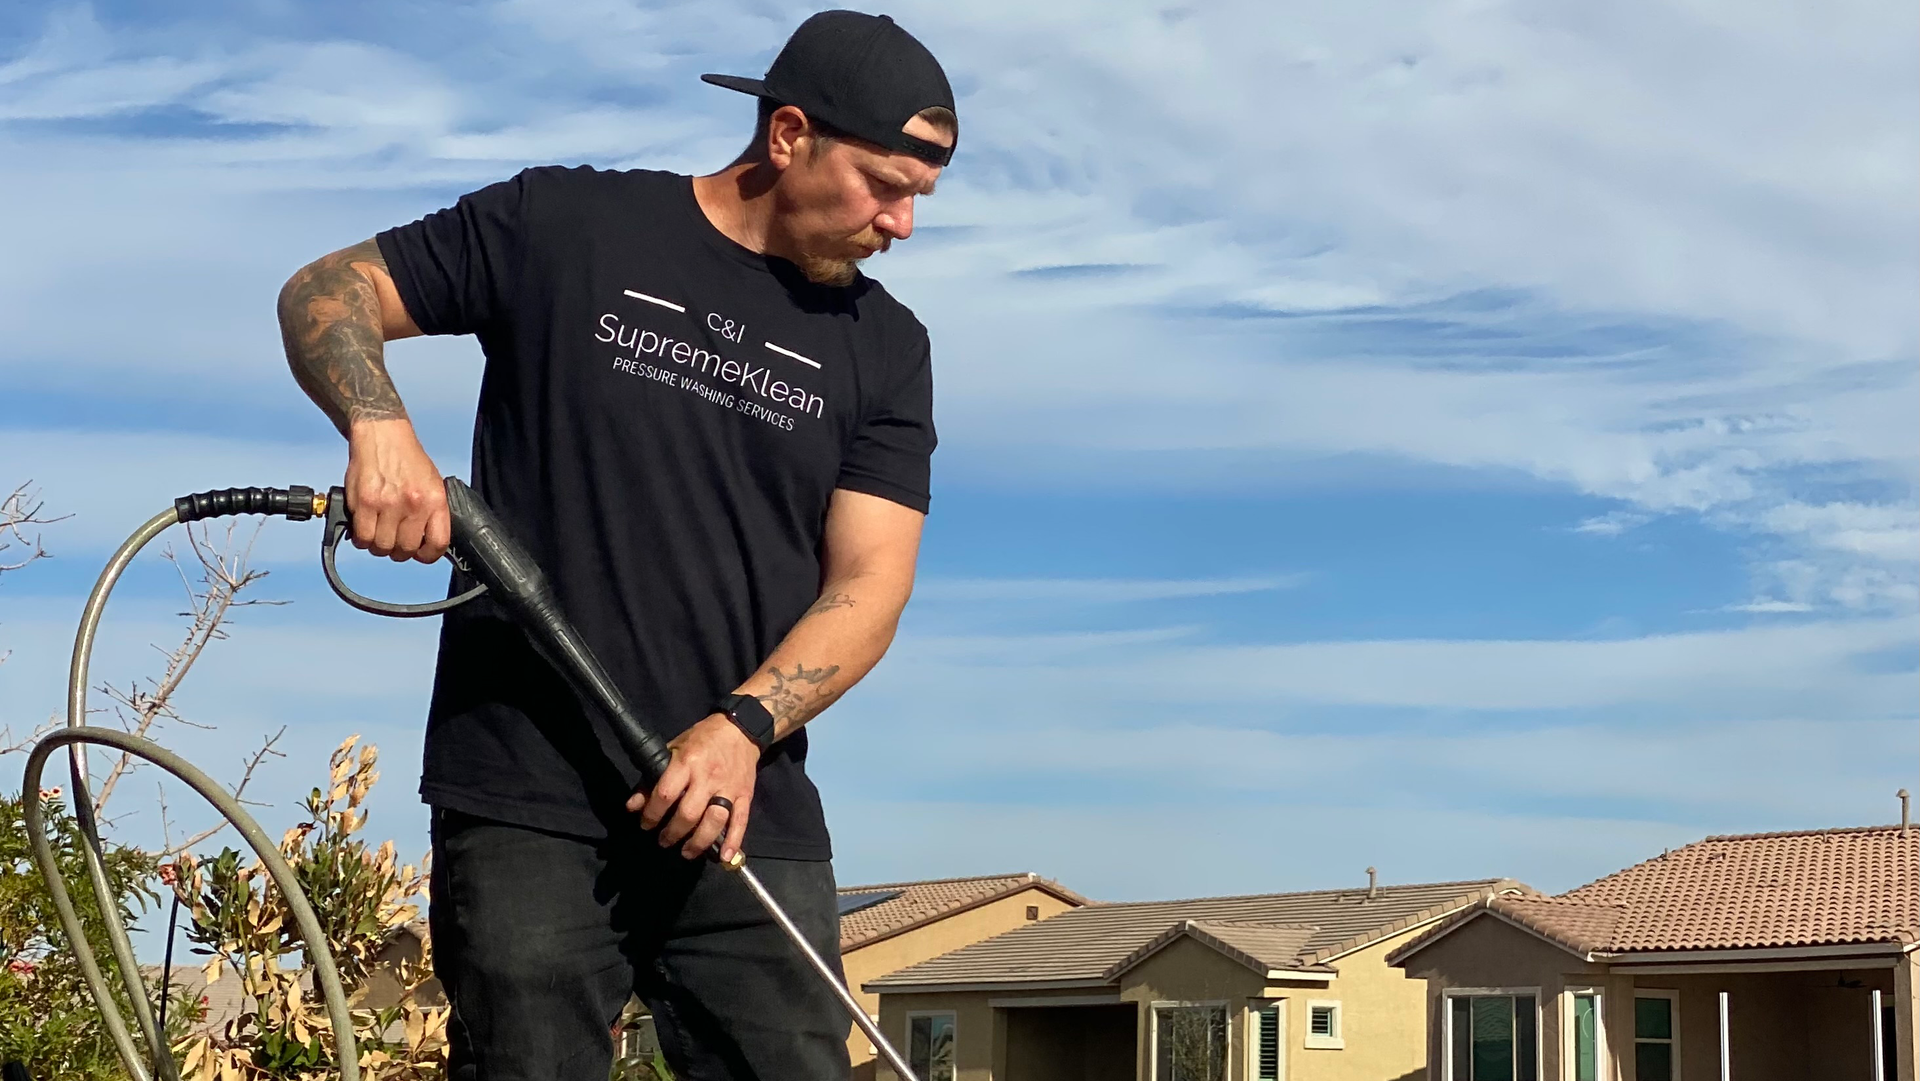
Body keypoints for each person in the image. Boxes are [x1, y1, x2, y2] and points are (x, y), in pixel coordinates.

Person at [275, 11, 956, 1079]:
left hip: (743, 810)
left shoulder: (886, 348)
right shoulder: (566, 226)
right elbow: (327, 290)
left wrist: (741, 726)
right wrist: (378, 427)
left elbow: (871, 582)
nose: (902, 223)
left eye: (920, 196)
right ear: (787, 135)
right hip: (528, 800)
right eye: (884, 184)